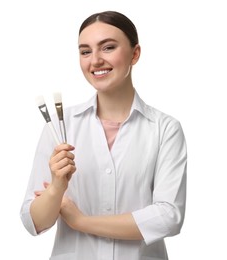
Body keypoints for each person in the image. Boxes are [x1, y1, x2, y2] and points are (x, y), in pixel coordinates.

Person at [20, 10, 187, 260]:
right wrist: (56, 187)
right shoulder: (59, 128)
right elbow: (34, 222)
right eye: (85, 51)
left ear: (135, 53)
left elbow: (168, 217)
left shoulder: (164, 129)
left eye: (108, 47)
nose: (95, 60)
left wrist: (81, 221)